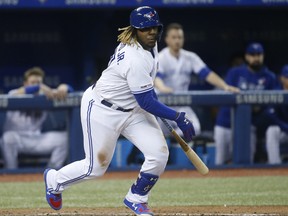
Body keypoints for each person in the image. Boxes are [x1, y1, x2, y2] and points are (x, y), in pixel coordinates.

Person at [43, 6, 196, 215]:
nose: (152, 32)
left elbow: (147, 93)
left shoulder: (150, 44)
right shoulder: (134, 57)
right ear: (134, 30)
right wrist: (178, 117)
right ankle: (54, 180)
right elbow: (147, 102)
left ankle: (137, 197)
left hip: (133, 109)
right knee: (95, 168)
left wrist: (164, 108)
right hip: (102, 109)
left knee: (159, 154)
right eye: (146, 29)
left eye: (155, 28)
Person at [154, 22, 239, 137]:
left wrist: (225, 86)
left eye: (180, 37)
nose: (177, 40)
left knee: (194, 128)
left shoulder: (190, 57)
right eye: (174, 37)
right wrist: (162, 87)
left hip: (182, 103)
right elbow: (156, 77)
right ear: (167, 39)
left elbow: (207, 74)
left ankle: (175, 142)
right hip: (165, 103)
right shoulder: (161, 57)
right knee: (159, 135)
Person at [214, 42, 277, 165]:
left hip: (248, 125)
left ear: (263, 56)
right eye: (252, 55)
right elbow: (226, 96)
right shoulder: (235, 72)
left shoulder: (269, 77)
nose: (256, 58)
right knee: (220, 162)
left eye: (259, 54)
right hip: (225, 123)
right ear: (247, 57)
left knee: (246, 162)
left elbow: (273, 105)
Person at [1, 66, 72, 169]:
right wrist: (39, 87)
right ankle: (11, 172)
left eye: (38, 82)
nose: (36, 85)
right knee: (7, 138)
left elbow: (69, 90)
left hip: (36, 139)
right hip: (17, 139)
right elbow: (23, 92)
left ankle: (50, 172)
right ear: (25, 83)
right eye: (32, 82)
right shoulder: (15, 93)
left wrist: (64, 87)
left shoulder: (45, 95)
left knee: (64, 138)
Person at [265, 64, 288, 164]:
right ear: (282, 78)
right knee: (272, 131)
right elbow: (271, 114)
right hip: (283, 130)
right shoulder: (276, 92)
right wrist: (285, 127)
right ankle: (275, 165)